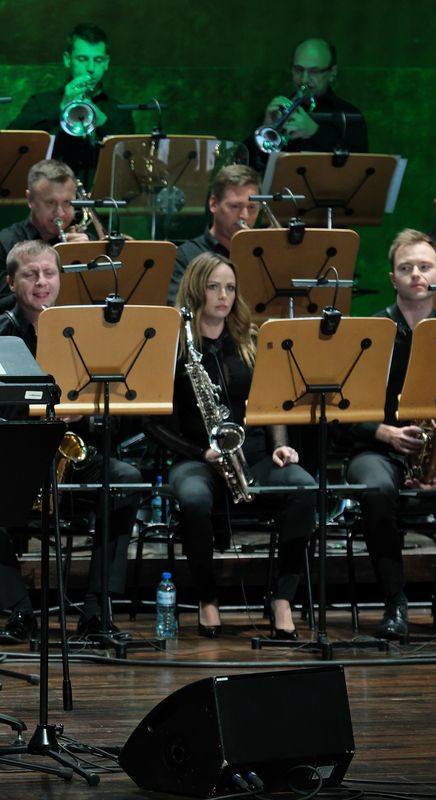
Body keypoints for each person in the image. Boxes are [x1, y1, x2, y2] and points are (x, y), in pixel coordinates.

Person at [0, 239, 142, 642]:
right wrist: (38, 412)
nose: (41, 282)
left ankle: (97, 611)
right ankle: (18, 611)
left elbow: (117, 407)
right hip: (13, 459)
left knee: (125, 481)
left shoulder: (84, 336)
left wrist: (89, 412)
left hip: (70, 458)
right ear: (11, 282)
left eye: (49, 273)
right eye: (31, 274)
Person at [146, 252, 314, 638]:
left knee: (304, 488)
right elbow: (151, 424)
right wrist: (200, 453)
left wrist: (280, 446)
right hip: (196, 457)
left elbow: (271, 404)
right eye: (213, 287)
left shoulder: (249, 342)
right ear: (195, 290)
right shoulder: (173, 347)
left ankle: (282, 598)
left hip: (251, 454)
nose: (224, 296)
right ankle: (207, 598)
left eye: (230, 288)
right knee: (193, 499)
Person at [344, 229, 436, 640]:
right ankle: (395, 603)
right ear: (392, 278)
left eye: (425, 267)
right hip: (378, 450)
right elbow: (343, 408)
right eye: (406, 267)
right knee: (375, 489)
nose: (416, 274)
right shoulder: (371, 332)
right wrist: (385, 433)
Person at [8, 24, 134, 186]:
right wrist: (60, 108)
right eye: (82, 59)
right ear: (68, 60)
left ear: (106, 63)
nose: (91, 68)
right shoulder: (41, 102)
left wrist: (102, 122)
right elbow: (13, 140)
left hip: (99, 198)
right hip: (50, 195)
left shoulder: (119, 111)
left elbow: (129, 160)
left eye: (98, 60)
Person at [0, 159, 91, 320]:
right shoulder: (2, 245)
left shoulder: (86, 243)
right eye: (50, 203)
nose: (60, 213)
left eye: (67, 202)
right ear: (30, 199)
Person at [247, 38, 368, 170]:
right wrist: (266, 127)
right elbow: (244, 165)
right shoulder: (278, 111)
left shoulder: (350, 115)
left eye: (314, 71)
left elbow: (359, 167)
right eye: (298, 70)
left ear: (332, 73)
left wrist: (315, 133)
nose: (304, 79)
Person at [168, 164, 261, 305]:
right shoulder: (185, 257)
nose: (245, 216)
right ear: (213, 204)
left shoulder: (262, 257)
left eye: (252, 207)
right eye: (235, 206)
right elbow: (178, 309)